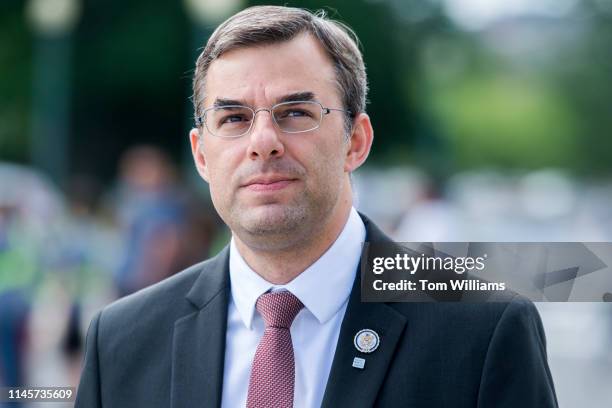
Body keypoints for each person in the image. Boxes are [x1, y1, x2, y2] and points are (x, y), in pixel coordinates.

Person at [75, 6, 558, 407]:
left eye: (296, 114)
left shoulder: (483, 328)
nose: (263, 142)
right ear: (202, 154)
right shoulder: (121, 342)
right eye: (234, 118)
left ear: (356, 142)